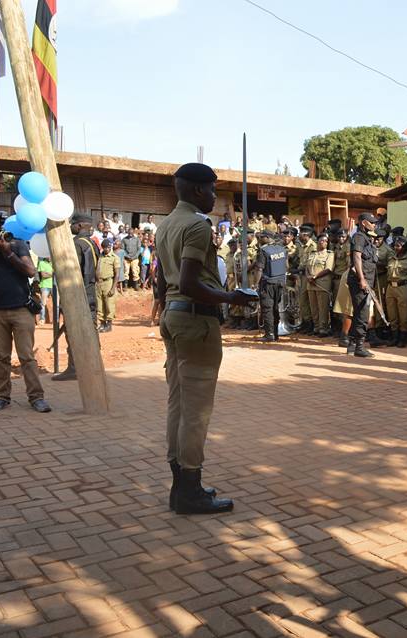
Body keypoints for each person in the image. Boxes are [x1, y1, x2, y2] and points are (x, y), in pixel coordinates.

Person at [155, 163, 255, 515]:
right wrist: (232, 298)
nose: (215, 196)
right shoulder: (197, 226)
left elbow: (162, 283)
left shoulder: (165, 224)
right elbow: (189, 282)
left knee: (178, 405)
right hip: (196, 320)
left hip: (174, 316)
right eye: (212, 189)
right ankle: (189, 490)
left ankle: (180, 485)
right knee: (196, 412)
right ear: (198, 190)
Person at [0, 213, 50, 413]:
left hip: (21, 309)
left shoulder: (16, 243)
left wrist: (7, 251)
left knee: (27, 357)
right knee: (1, 357)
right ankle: (2, 397)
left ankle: (36, 398)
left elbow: (30, 271)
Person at [52, 213, 100, 381]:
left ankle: (74, 368)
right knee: (91, 331)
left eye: (73, 224)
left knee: (73, 333)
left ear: (79, 226)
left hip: (79, 295)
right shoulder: (93, 244)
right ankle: (93, 367)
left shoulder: (77, 244)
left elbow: (72, 273)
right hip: (91, 293)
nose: (71, 226)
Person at [347, 212, 379, 358]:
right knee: (362, 313)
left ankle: (352, 345)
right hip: (361, 281)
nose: (374, 225)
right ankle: (359, 346)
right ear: (364, 223)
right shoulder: (359, 237)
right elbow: (357, 257)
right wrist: (362, 279)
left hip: (366, 280)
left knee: (359, 312)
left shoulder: (366, 238)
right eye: (372, 222)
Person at [384, 235, 407, 347]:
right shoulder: (391, 257)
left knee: (404, 315)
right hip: (390, 288)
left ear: (405, 247)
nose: (396, 247)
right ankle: (395, 337)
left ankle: (403, 338)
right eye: (395, 245)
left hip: (404, 287)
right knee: (392, 314)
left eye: (398, 245)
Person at [255, 230, 288, 342]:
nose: (259, 239)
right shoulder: (282, 249)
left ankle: (269, 334)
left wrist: (255, 284)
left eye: (261, 237)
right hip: (280, 283)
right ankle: (275, 333)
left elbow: (259, 269)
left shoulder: (263, 250)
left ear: (268, 237)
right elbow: (286, 265)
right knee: (275, 308)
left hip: (268, 283)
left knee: (267, 309)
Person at [304, 234, 335, 337]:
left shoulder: (330, 254)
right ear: (317, 242)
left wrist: (315, 277)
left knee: (323, 308)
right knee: (314, 307)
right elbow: (307, 267)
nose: (323, 242)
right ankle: (316, 327)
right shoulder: (312, 254)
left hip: (322, 284)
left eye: (326, 241)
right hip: (310, 284)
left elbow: (328, 269)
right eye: (321, 240)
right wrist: (308, 276)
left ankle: (323, 329)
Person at [95, 239, 119, 333]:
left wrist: (113, 288)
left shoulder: (114, 257)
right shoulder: (100, 256)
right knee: (100, 304)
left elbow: (117, 274)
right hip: (99, 283)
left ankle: (109, 325)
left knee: (109, 304)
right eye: (105, 247)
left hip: (109, 282)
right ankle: (102, 323)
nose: (107, 249)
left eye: (108, 247)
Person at [37, 257, 53, 324]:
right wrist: (53, 274)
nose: (49, 257)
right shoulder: (41, 263)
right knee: (43, 303)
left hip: (54, 285)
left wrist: (48, 274)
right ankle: (42, 319)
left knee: (57, 304)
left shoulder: (53, 263)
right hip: (45, 285)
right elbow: (43, 275)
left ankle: (56, 320)